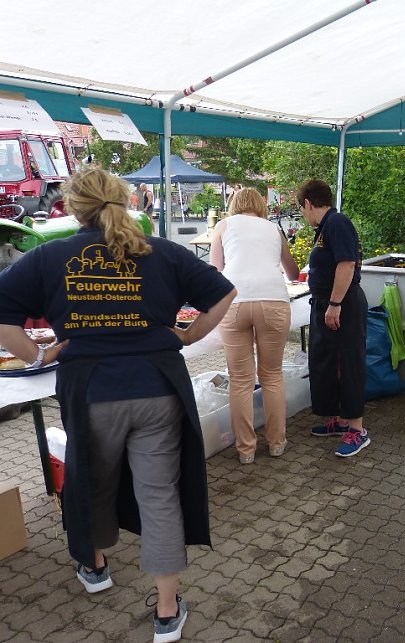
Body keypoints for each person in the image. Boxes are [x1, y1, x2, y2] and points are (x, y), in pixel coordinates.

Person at [0, 168, 236, 642]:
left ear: (72, 207)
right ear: (124, 202)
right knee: (159, 494)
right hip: (158, 386)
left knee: (91, 481)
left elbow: (3, 316)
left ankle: (95, 565)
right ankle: (167, 611)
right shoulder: (163, 251)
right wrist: (188, 336)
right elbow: (225, 292)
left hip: (91, 391)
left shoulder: (49, 257)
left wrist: (38, 354)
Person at [209, 187, 300, 464]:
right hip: (273, 301)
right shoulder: (274, 230)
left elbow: (215, 269)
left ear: (234, 204)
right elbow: (293, 273)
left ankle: (246, 450)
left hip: (234, 302)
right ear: (260, 205)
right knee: (272, 375)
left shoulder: (223, 226)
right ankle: (276, 443)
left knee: (240, 380)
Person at [297, 178, 370, 457]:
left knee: (347, 363)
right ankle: (340, 420)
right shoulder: (326, 227)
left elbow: (347, 263)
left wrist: (335, 304)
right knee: (328, 363)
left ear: (307, 203)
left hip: (343, 304)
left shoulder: (337, 223)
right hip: (329, 304)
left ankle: (357, 430)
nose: (303, 216)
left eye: (302, 210)